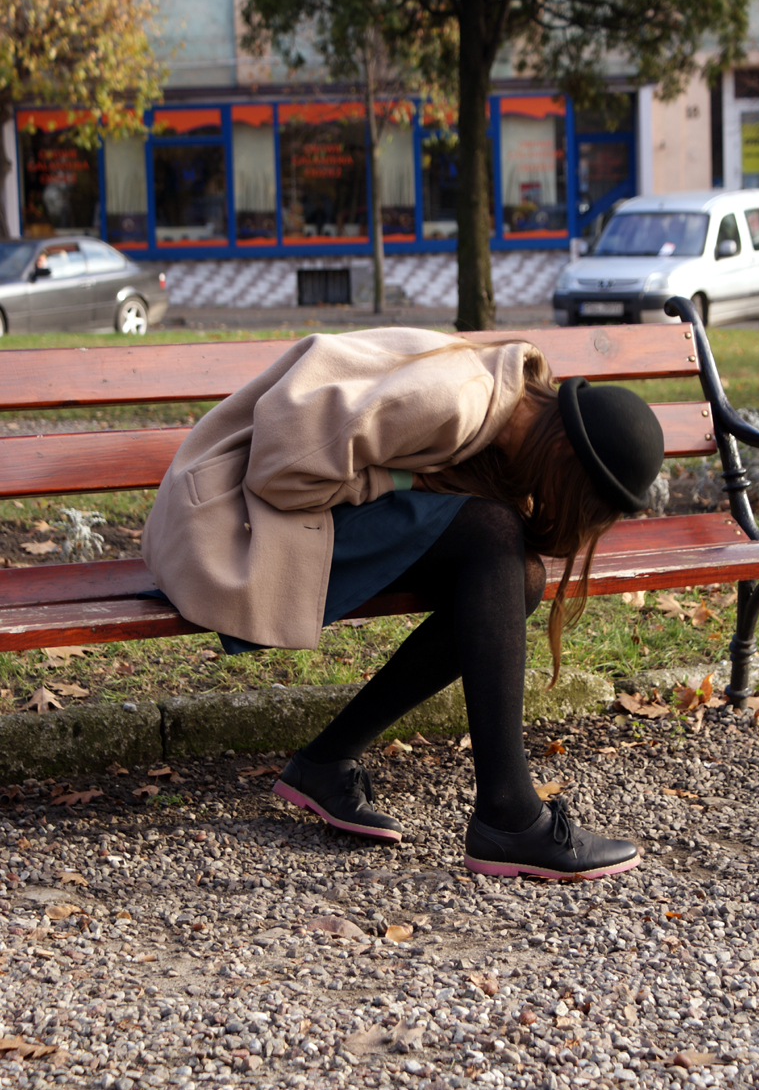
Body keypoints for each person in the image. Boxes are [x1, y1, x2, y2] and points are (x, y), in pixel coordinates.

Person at [142, 328, 664, 880]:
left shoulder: (507, 403)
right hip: (224, 519)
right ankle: (509, 815)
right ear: (562, 453)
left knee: (519, 577)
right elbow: (278, 469)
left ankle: (326, 762)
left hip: (278, 505)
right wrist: (403, 479)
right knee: (491, 532)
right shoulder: (454, 399)